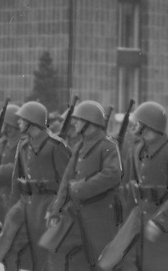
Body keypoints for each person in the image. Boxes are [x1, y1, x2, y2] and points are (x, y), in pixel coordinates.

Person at [97, 100, 168, 271]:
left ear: (149, 125)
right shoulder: (138, 150)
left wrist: (160, 221)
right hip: (141, 216)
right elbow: (129, 186)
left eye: (138, 122)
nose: (134, 126)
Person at [0, 101, 70, 270]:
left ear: (32, 122)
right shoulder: (23, 145)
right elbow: (16, 181)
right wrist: (12, 208)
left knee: (45, 256)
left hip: (47, 205)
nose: (18, 122)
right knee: (8, 246)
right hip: (25, 204)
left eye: (22, 119)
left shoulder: (56, 146)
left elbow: (67, 182)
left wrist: (57, 210)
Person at [45, 100, 122, 270]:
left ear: (90, 122)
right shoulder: (79, 146)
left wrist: (81, 187)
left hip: (100, 215)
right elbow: (66, 181)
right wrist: (56, 210)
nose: (75, 123)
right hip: (76, 213)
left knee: (100, 262)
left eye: (79, 119)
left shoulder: (108, 146)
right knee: (56, 247)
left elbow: (113, 174)